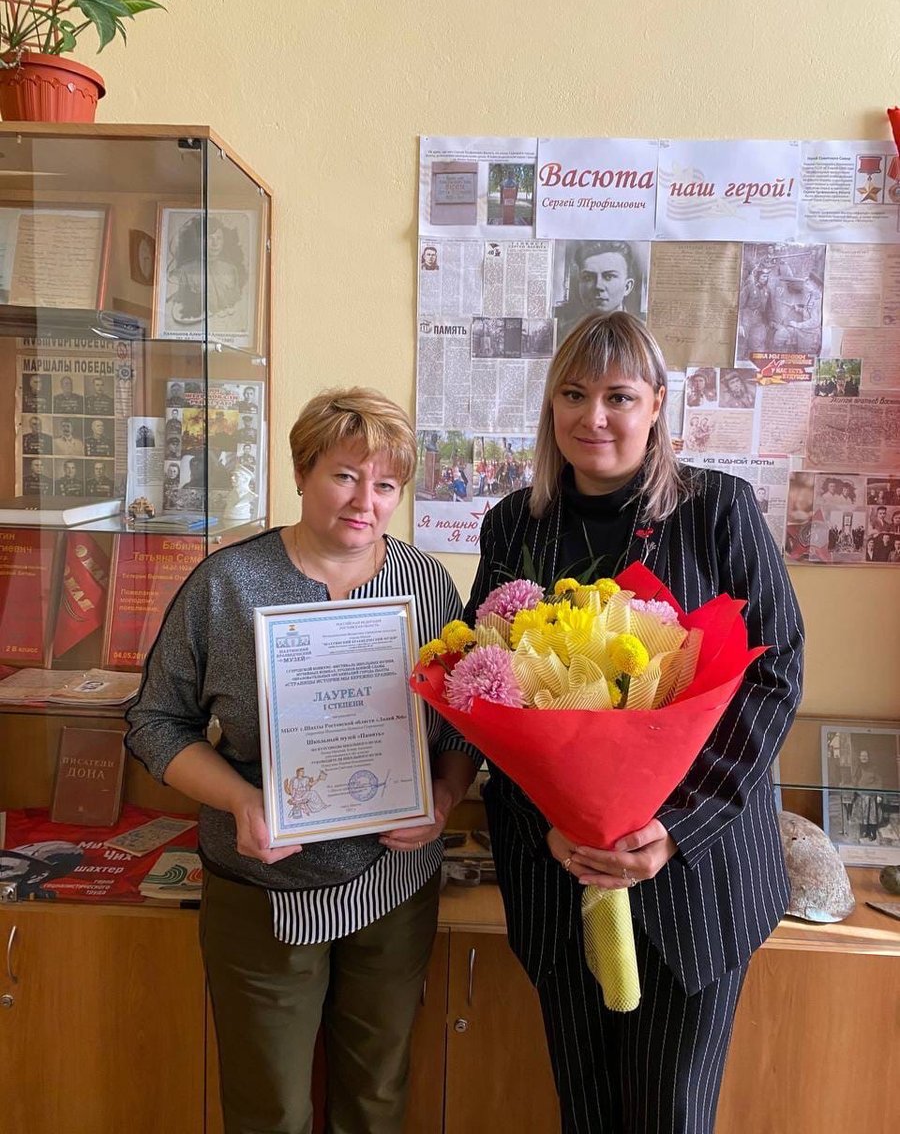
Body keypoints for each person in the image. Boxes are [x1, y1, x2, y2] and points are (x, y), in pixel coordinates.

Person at [463, 313, 804, 1134]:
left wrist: (675, 829)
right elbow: (481, 691)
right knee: (584, 1109)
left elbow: (774, 675)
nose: (594, 417)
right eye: (573, 394)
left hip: (695, 880)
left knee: (669, 1113)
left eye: (618, 396)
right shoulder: (514, 524)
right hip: (558, 873)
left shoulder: (717, 510)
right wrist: (551, 824)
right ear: (550, 406)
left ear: (656, 404)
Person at [126, 387, 479, 1133]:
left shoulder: (427, 584)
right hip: (265, 885)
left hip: (393, 882)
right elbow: (155, 722)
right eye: (344, 475)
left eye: (386, 485)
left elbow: (458, 727)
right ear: (300, 472)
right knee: (272, 1108)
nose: (365, 502)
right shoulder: (226, 584)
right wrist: (240, 800)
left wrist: (444, 802)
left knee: (376, 1098)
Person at [554, 241, 639, 341]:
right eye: (588, 277)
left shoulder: (639, 332)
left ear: (627, 287)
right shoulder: (564, 332)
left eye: (609, 277)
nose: (598, 286)